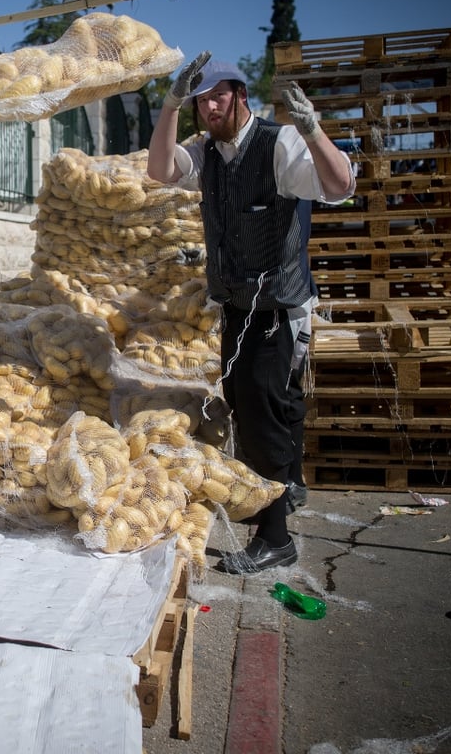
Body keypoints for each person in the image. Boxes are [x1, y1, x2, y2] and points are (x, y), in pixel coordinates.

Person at [146, 52, 356, 574]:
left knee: (260, 411)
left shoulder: (278, 143)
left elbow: (339, 186)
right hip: (239, 305)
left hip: (279, 305)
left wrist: (312, 130)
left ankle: (276, 535)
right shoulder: (207, 153)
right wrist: (170, 104)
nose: (210, 106)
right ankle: (293, 484)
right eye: (201, 99)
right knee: (261, 399)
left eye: (219, 95)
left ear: (240, 96)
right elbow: (159, 170)